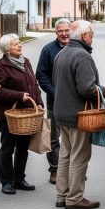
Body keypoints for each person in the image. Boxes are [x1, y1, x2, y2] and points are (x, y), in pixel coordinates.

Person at [52, 20, 105, 209]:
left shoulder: (62, 53)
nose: (93, 37)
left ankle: (62, 195)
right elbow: (86, 89)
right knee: (79, 157)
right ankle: (75, 198)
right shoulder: (82, 56)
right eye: (91, 33)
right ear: (84, 36)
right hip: (78, 115)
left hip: (62, 113)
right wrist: (103, 90)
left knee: (65, 156)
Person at [0, 34, 44, 195]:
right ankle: (6, 181)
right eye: (15, 44)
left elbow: (34, 84)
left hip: (27, 115)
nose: (20, 46)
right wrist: (18, 95)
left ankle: (19, 179)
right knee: (8, 148)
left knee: (23, 148)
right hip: (9, 115)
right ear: (7, 49)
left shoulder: (26, 62)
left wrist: (39, 102)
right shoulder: (0, 66)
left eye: (19, 43)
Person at [36, 19, 71, 185]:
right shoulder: (48, 50)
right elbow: (40, 74)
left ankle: (72, 169)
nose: (64, 34)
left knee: (73, 138)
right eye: (60, 31)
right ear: (56, 33)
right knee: (53, 138)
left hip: (74, 103)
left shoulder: (76, 48)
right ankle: (55, 170)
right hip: (54, 102)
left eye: (66, 30)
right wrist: (54, 92)